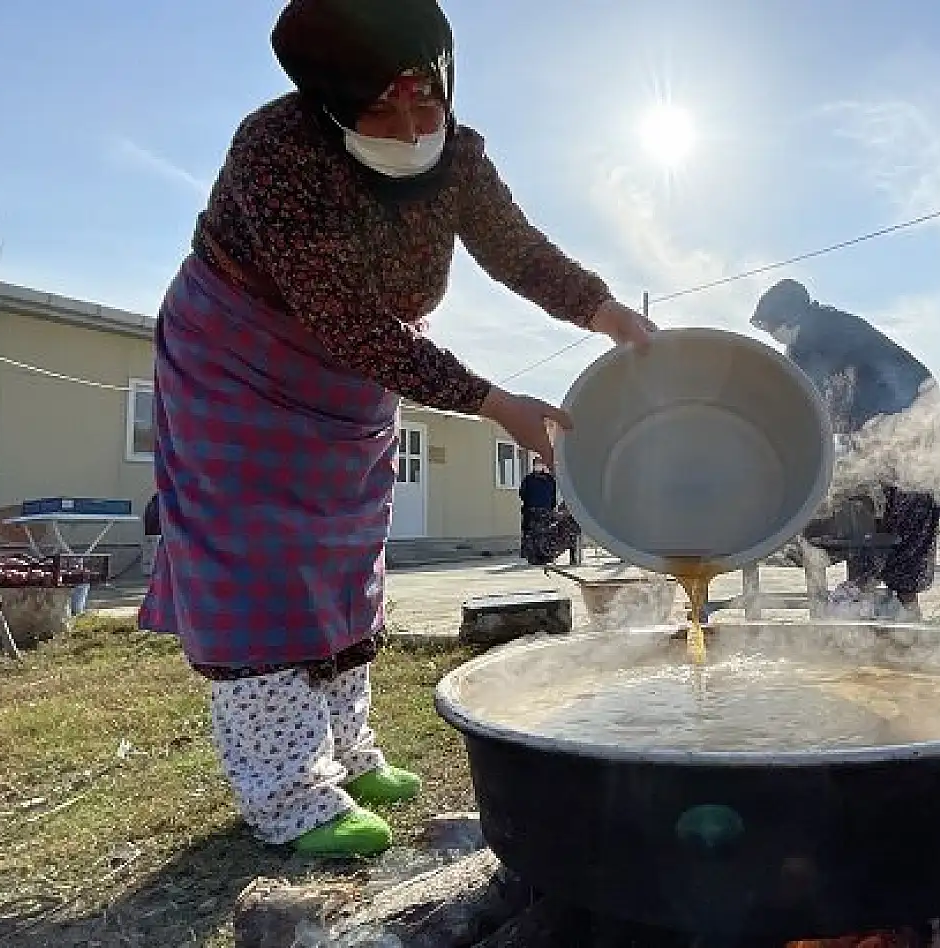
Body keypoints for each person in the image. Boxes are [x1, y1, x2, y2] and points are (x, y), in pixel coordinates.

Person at [138, 0, 653, 859]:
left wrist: (608, 317)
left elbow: (517, 249)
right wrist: (495, 403)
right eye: (381, 109)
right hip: (242, 349)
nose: (413, 127)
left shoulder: (459, 156)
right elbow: (343, 316)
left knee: (347, 553)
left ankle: (346, 750)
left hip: (363, 363)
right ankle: (290, 793)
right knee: (264, 561)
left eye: (427, 104)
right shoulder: (276, 150)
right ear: (329, 101)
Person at [750, 279, 940, 618]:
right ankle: (873, 595)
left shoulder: (826, 333)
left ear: (790, 319)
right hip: (881, 426)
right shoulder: (811, 340)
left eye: (773, 328)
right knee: (868, 502)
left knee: (900, 502)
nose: (774, 337)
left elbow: (813, 408)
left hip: (911, 416)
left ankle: (896, 604)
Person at [517, 457, 581, 566]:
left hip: (545, 511)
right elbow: (522, 494)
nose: (539, 465)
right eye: (537, 463)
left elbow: (552, 496)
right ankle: (535, 556)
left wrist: (551, 509)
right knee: (533, 536)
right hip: (532, 512)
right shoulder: (529, 479)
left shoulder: (549, 480)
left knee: (545, 535)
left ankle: (548, 555)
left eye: (540, 463)